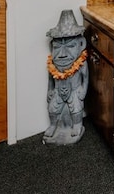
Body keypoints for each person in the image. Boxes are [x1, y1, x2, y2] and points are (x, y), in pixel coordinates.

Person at [43, 10, 89, 145]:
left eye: (70, 46)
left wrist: (83, 90)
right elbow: (50, 80)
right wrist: (50, 91)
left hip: (74, 91)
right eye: (57, 47)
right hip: (58, 91)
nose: (62, 54)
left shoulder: (82, 64)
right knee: (52, 108)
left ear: (81, 44)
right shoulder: (52, 64)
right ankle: (53, 126)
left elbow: (85, 79)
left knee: (76, 107)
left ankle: (77, 125)